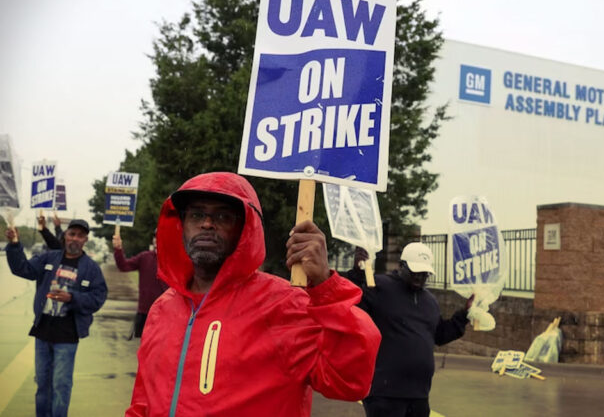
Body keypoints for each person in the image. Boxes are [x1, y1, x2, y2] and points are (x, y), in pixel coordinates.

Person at [125, 172, 381, 417]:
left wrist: (326, 287)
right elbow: (142, 402)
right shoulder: (162, 309)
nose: (206, 223)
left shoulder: (283, 304)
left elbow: (350, 381)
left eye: (223, 216)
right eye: (196, 214)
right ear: (181, 225)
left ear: (245, 230)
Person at [342, 243, 473, 417]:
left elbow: (439, 334)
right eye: (415, 271)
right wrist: (357, 274)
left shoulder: (430, 301)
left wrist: (465, 315)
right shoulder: (380, 287)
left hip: (419, 395)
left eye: (424, 273)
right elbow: (352, 305)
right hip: (384, 394)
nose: (419, 276)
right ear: (401, 266)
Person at [5, 219, 108, 417]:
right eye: (72, 234)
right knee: (42, 384)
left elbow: (98, 298)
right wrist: (14, 245)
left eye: (80, 235)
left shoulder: (91, 268)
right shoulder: (49, 258)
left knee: (61, 386)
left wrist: (73, 297)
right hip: (42, 333)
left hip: (67, 337)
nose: (75, 239)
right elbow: (22, 269)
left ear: (85, 239)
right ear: (65, 236)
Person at [112, 230, 168, 338]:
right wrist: (118, 249)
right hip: (145, 312)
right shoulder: (144, 257)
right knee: (144, 348)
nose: (157, 239)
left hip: (167, 313)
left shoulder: (175, 260)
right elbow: (123, 266)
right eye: (155, 237)